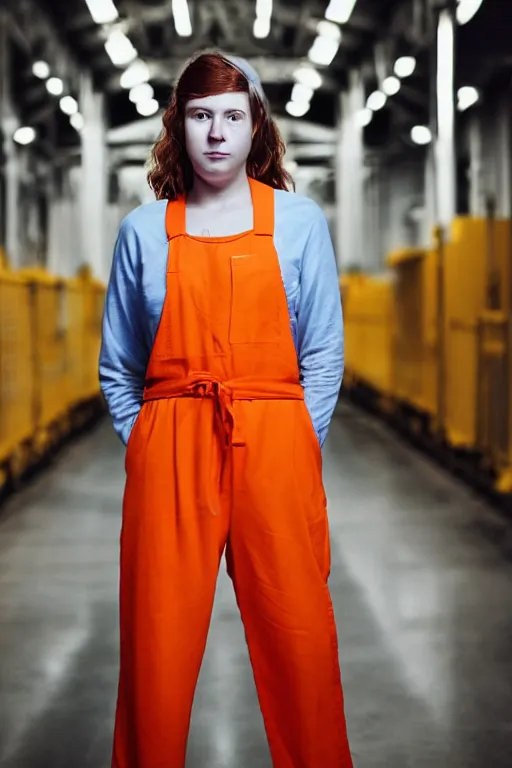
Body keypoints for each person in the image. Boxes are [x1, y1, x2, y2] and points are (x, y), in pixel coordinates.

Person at [99, 50, 353, 768]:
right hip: (171, 445)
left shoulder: (300, 222)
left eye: (232, 117)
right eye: (201, 116)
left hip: (274, 441)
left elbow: (324, 355)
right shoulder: (144, 232)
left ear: (256, 128)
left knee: (300, 643)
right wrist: (149, 442)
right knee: (156, 650)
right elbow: (119, 365)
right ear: (178, 127)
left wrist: (297, 437)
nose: (216, 133)